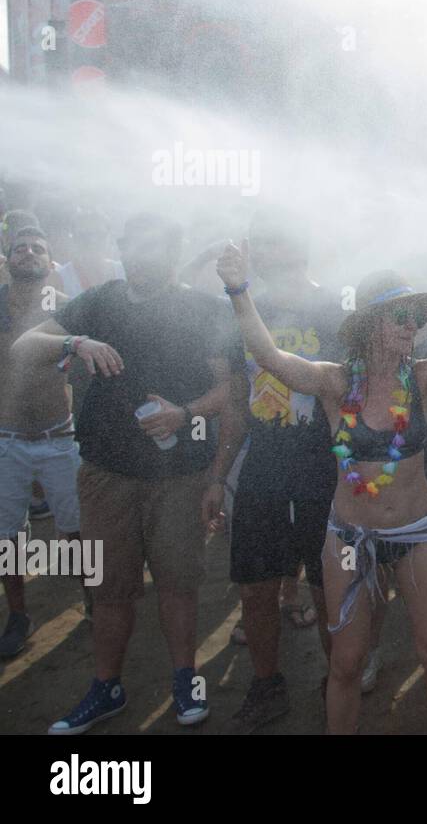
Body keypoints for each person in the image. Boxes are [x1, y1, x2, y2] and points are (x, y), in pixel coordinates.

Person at [216, 242, 427, 735]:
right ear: (370, 325)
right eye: (401, 316)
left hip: (417, 531)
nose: (414, 326)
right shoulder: (335, 383)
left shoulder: (425, 378)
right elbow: (269, 355)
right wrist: (239, 290)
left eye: (416, 317)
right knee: (345, 662)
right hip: (347, 536)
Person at [14, 213, 240, 734]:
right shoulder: (100, 301)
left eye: (156, 249)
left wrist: (184, 413)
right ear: (124, 249)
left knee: (179, 582)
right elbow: (25, 348)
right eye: (134, 248)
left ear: (173, 254)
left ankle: (187, 679)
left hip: (180, 474)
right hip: (105, 473)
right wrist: (76, 344)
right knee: (108, 587)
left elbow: (233, 391)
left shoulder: (203, 309)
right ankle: (105, 686)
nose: (143, 258)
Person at [199, 210, 343, 729]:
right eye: (260, 245)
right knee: (255, 587)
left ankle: (338, 682)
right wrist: (219, 476)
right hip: (261, 466)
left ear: (301, 249)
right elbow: (237, 401)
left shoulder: (334, 308)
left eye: (278, 244)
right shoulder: (236, 311)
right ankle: (266, 684)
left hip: (324, 469)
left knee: (332, 588)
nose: (267, 254)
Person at [0, 228, 84, 659]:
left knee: (75, 528)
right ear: (7, 258)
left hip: (60, 435)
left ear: (50, 262)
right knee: (8, 536)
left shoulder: (64, 309)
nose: (28, 253)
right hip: (6, 440)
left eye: (38, 247)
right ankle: (18, 614)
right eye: (19, 248)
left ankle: (93, 599)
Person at [56, 209, 125, 299]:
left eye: (99, 234)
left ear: (110, 238)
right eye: (84, 235)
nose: (93, 241)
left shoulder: (125, 271)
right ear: (73, 239)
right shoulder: (60, 278)